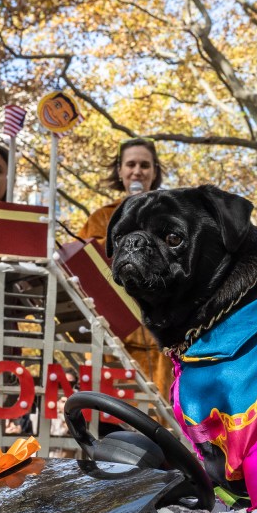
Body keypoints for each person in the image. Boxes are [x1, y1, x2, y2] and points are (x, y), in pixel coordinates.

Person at [78, 138, 171, 394]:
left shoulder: (173, 217)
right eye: (131, 164)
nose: (137, 170)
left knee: (163, 423)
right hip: (114, 341)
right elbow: (84, 265)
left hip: (163, 340)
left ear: (154, 171)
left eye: (144, 164)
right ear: (120, 171)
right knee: (115, 422)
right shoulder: (101, 218)